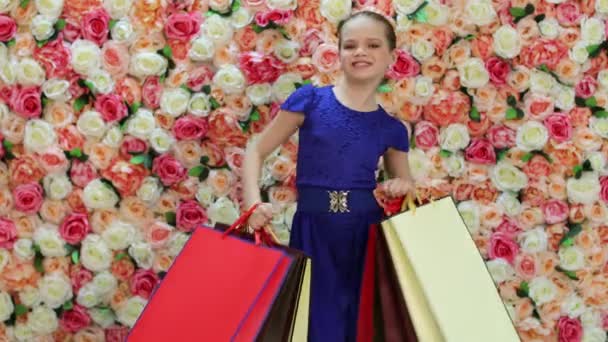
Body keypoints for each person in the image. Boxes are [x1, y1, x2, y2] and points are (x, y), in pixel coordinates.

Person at [242, 10, 415, 342]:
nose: (360, 52)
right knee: (313, 324)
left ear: (391, 56)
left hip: (367, 238)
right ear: (338, 53)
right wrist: (253, 205)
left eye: (373, 45)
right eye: (350, 45)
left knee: (361, 326)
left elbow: (406, 190)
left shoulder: (392, 129)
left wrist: (402, 185)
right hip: (314, 232)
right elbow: (256, 150)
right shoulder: (310, 101)